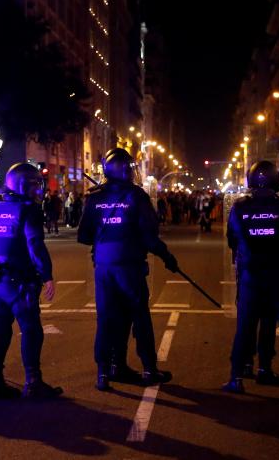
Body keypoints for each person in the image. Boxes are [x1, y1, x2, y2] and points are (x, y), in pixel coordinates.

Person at [77, 148, 178, 392]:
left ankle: (107, 370)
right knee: (139, 317)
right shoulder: (136, 196)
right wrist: (167, 257)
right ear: (124, 170)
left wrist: (106, 234)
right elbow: (150, 237)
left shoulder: (94, 197)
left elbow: (84, 235)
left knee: (108, 319)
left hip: (103, 267)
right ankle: (149, 368)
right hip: (129, 267)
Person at [0, 162, 61, 400]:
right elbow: (35, 246)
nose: (36, 189)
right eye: (33, 184)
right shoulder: (27, 210)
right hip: (20, 282)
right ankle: (33, 382)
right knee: (31, 330)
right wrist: (47, 275)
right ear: (23, 185)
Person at [223, 161, 279, 395]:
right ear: (276, 180)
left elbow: (232, 240)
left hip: (251, 277)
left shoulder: (239, 208)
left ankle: (236, 377)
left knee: (245, 327)